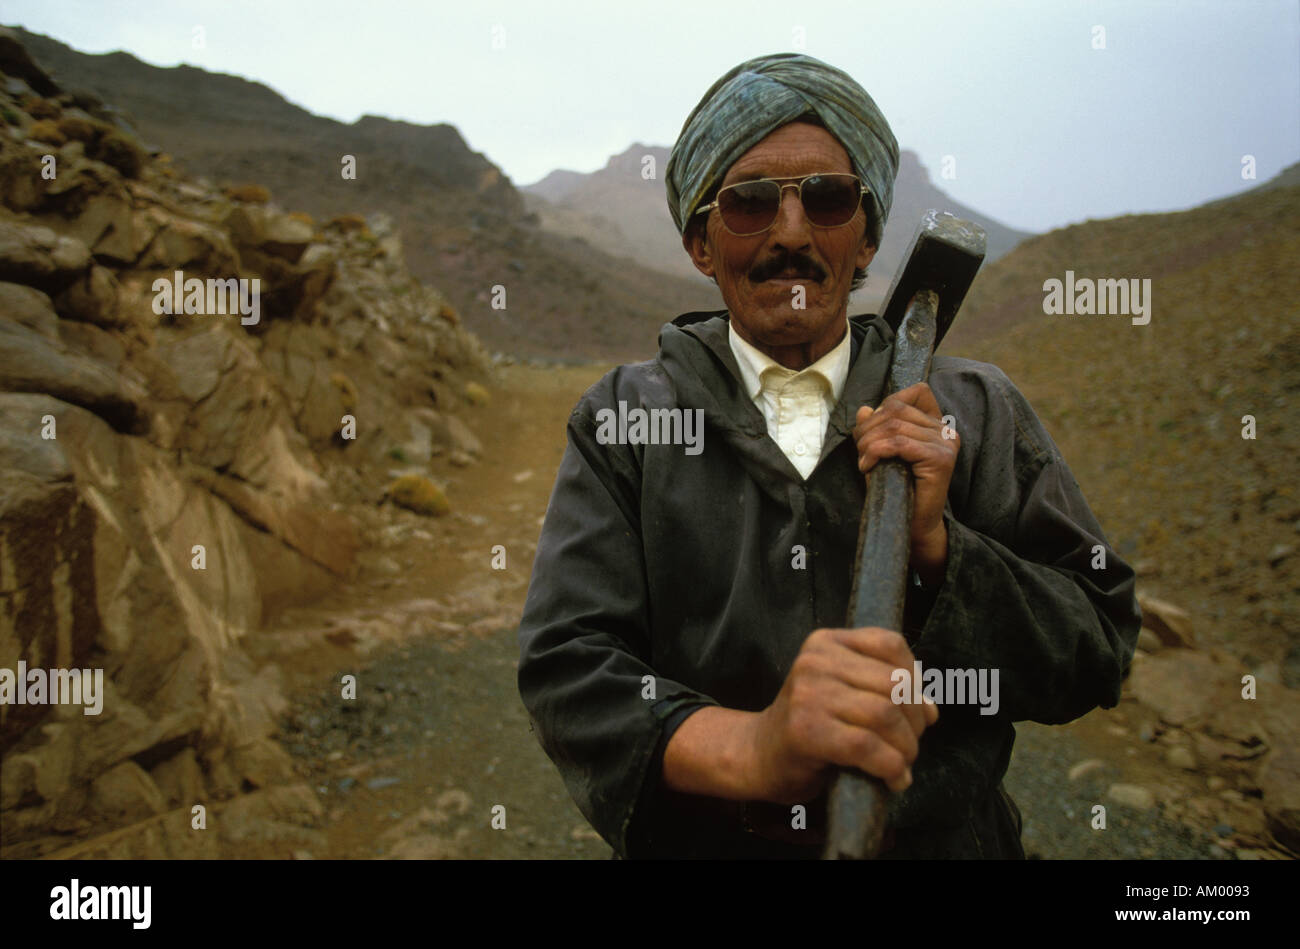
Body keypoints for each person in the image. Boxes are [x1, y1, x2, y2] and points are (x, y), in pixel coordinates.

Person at [516, 53, 1141, 859]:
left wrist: (943, 551)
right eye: (746, 204)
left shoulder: (976, 410)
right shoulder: (625, 419)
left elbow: (1099, 641)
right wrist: (753, 749)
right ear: (702, 245)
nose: (790, 233)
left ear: (869, 236)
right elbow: (568, 669)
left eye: (828, 198)